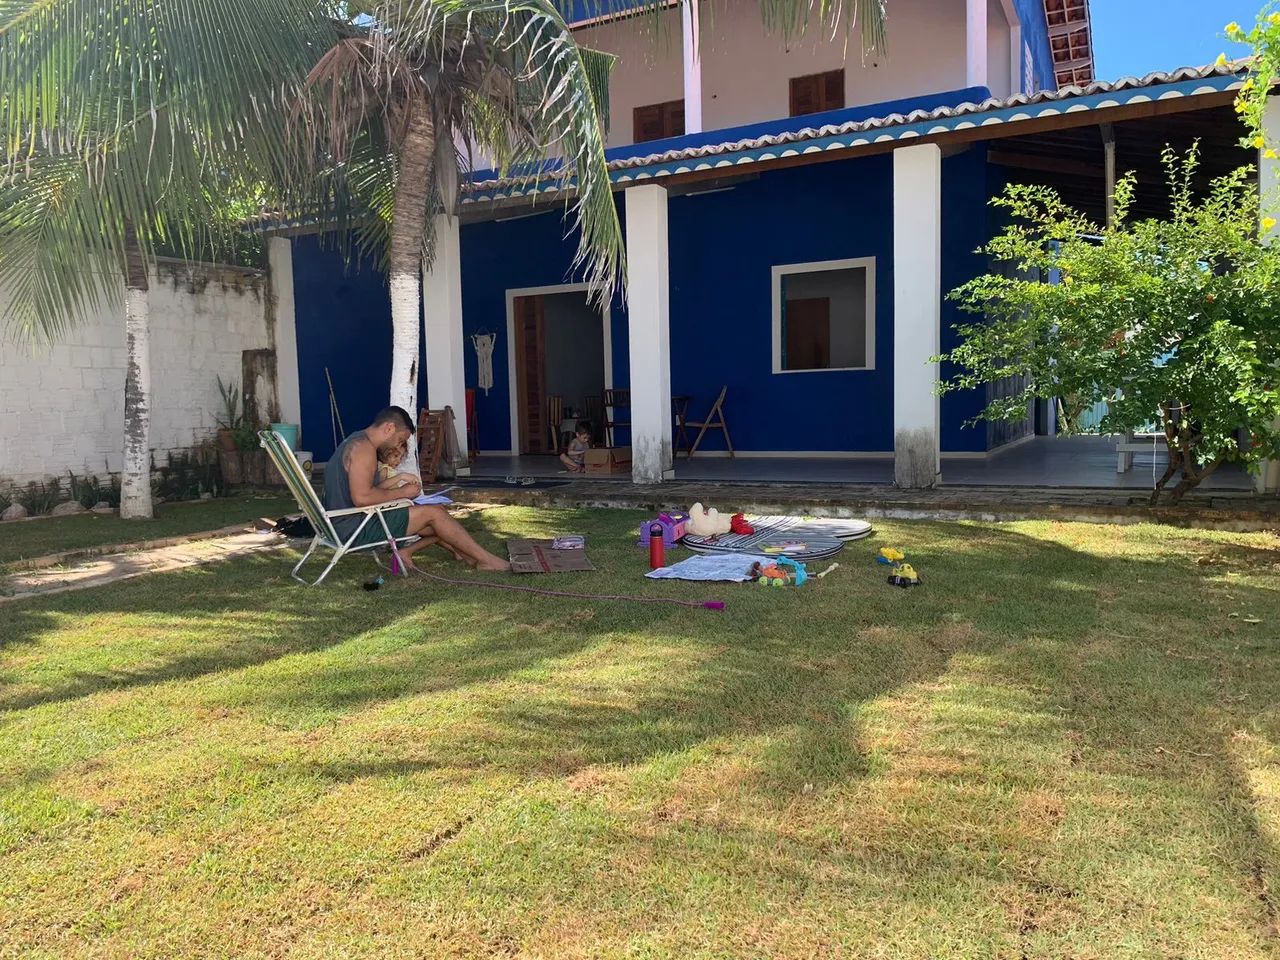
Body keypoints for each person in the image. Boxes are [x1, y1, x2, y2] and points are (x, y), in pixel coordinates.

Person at [325, 407, 509, 572]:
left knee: (434, 518)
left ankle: (464, 554)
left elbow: (366, 490)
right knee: (434, 514)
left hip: (348, 522)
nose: (398, 446)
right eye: (400, 440)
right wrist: (403, 493)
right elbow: (362, 498)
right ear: (388, 428)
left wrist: (400, 487)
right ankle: (486, 561)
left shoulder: (355, 440)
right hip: (354, 529)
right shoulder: (363, 448)